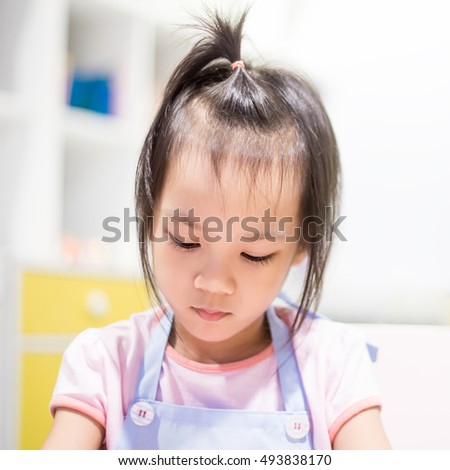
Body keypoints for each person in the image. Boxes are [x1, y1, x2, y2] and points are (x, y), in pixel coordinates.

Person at [42, 10, 391, 450]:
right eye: (186, 240)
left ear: (302, 244)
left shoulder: (331, 362)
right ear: (150, 217)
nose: (213, 283)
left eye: (254, 253)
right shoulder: (106, 362)